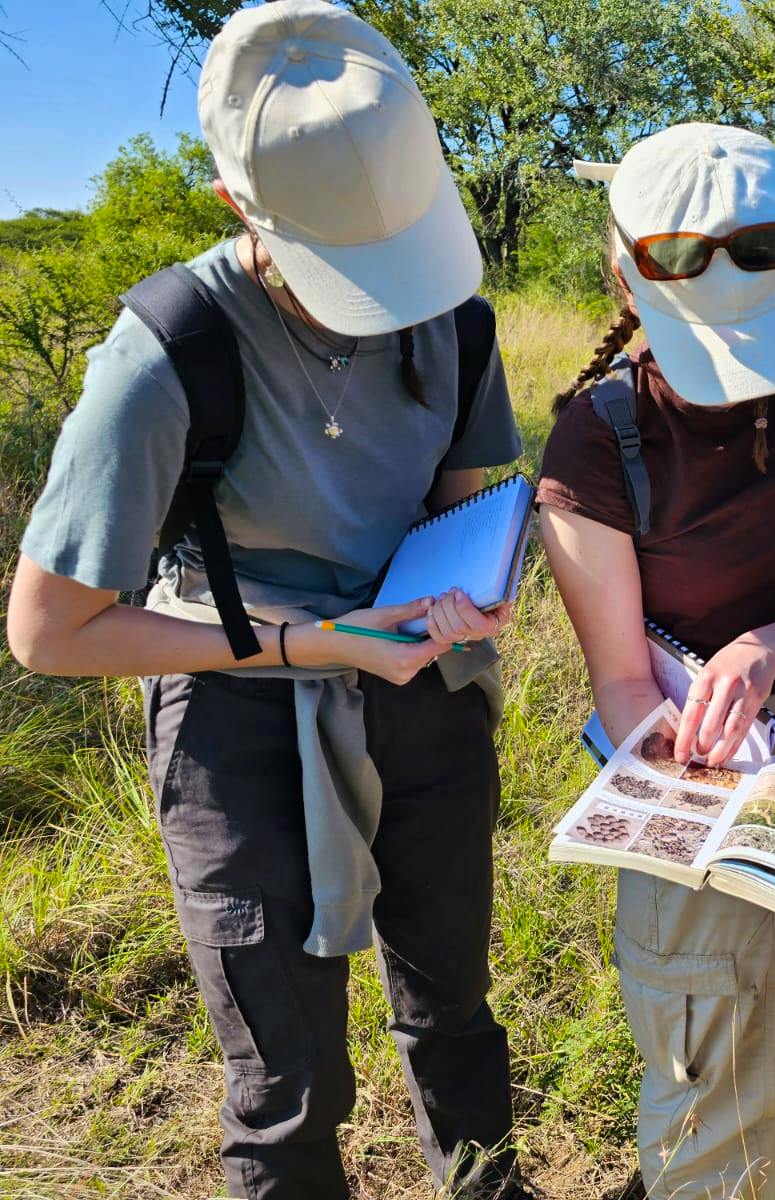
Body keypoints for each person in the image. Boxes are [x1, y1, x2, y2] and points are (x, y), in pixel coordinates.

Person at [5, 3, 528, 1196]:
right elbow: (46, 632)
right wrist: (306, 641)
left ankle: (487, 1182)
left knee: (452, 1000)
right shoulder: (167, 352)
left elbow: (453, 503)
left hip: (422, 694)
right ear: (240, 205)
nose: (390, 294)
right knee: (286, 1073)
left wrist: (470, 589)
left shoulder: (458, 311)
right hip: (238, 720)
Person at [537, 123, 775, 1199]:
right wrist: (709, 765)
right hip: (682, 755)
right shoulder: (596, 437)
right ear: (627, 272)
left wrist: (768, 644)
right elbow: (620, 680)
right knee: (708, 1043)